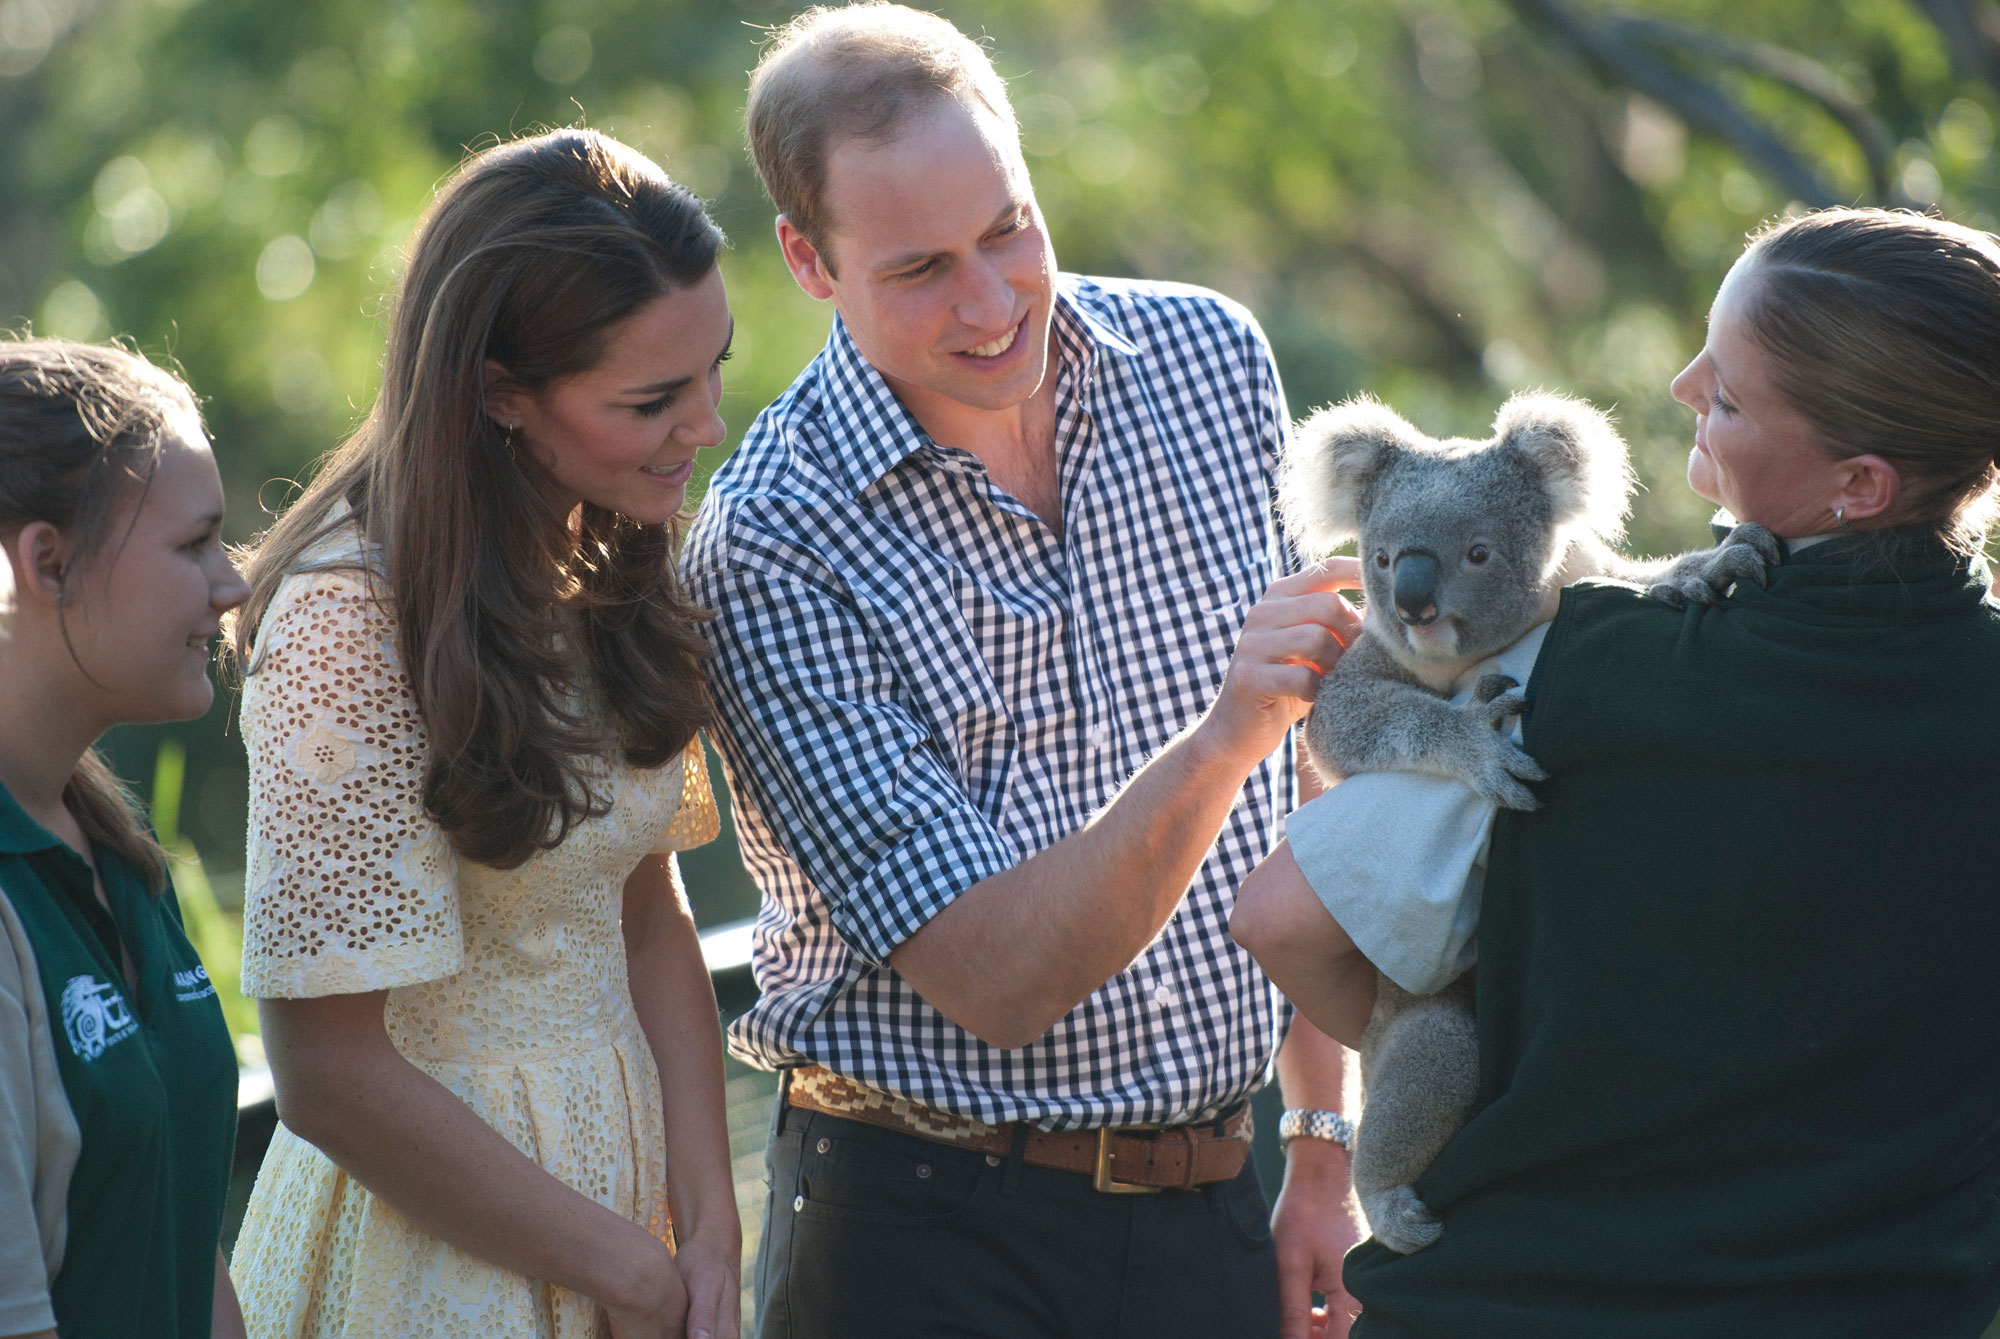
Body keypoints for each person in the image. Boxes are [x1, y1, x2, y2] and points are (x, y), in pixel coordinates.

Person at [681, 7, 1367, 1337]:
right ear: (809, 262)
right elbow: (999, 979)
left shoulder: (1213, 363)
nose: (995, 304)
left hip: (1221, 1197)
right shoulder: (768, 547)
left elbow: (1312, 770)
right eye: (924, 268)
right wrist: (1225, 733)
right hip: (923, 1233)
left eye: (1010, 228)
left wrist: (1321, 1139)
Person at [1232, 205, 2000, 1338]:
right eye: (1705, 350)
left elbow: (1280, 915)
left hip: (1515, 1296)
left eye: (1729, 395)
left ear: (1860, 483)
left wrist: (1465, 1058)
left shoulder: (1580, 666)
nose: (1685, 384)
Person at [223, 129, 741, 1339]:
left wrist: (707, 1228)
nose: (706, 425)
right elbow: (328, 1077)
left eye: (713, 368)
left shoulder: (604, 551)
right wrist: (623, 1266)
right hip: (438, 1244)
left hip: (633, 1218)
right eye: (651, 400)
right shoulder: (347, 620)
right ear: (499, 392)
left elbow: (647, 910)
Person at [0, 338, 249, 1338]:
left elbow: (186, 1238)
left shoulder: (118, 853)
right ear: (47, 562)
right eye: (194, 545)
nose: (231, 584)